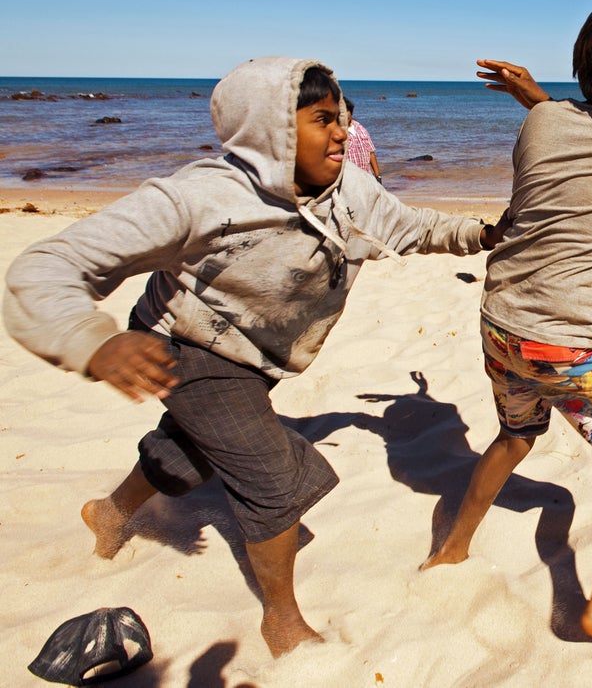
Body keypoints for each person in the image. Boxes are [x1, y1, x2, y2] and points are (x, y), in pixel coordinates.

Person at [3, 56, 506, 657]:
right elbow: (46, 267)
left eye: (342, 117)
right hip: (182, 344)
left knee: (191, 449)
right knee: (271, 475)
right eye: (323, 119)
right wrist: (94, 339)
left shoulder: (350, 189)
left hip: (256, 355)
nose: (343, 131)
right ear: (273, 131)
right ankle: (284, 624)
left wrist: (480, 234)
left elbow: (410, 226)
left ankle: (110, 515)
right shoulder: (199, 197)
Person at [420, 0, 592, 640]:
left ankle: (452, 548)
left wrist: (533, 95)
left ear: (586, 64)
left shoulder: (540, 122)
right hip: (573, 343)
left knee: (517, 435)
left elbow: (565, 125)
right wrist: (538, 93)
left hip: (501, 325)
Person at [344, 96, 382, 181]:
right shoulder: (337, 133)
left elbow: (371, 153)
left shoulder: (360, 128)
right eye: (340, 112)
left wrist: (378, 176)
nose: (344, 115)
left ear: (351, 112)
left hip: (367, 177)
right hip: (349, 180)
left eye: (346, 111)